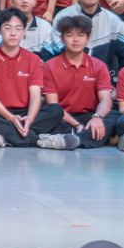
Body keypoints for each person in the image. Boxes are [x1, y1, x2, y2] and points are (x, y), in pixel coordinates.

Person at [0, 11, 60, 148]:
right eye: (7, 28)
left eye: (18, 28)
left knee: (56, 111)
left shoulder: (33, 59)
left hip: (24, 113)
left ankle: (8, 136)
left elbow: (35, 95)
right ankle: (35, 139)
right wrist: (11, 118)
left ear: (24, 32)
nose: (13, 33)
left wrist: (30, 119)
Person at [36, 13, 116, 150]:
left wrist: (97, 117)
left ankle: (73, 139)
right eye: (70, 35)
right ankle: (85, 137)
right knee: (49, 114)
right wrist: (77, 124)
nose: (75, 40)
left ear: (87, 39)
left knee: (115, 116)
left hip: (90, 115)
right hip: (63, 117)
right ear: (62, 38)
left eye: (80, 35)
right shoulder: (49, 66)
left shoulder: (99, 66)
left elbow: (105, 100)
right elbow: (53, 105)